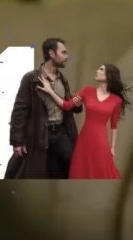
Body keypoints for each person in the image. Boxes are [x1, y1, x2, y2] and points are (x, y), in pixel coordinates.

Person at [39, 63, 133, 179]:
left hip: (101, 142)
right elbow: (66, 105)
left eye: (101, 69)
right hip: (84, 140)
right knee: (80, 171)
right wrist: (49, 91)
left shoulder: (116, 100)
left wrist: (112, 148)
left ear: (109, 75)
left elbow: (114, 125)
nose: (97, 71)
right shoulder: (87, 91)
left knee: (101, 173)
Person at [6, 37, 81, 179]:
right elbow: (20, 110)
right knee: (37, 171)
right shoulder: (31, 79)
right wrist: (17, 141)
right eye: (63, 52)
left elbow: (65, 104)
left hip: (60, 133)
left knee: (73, 165)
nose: (67, 56)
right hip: (39, 134)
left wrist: (76, 105)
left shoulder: (61, 79)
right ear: (51, 53)